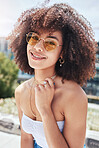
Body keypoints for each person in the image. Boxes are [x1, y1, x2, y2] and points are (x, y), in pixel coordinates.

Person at [7, 3, 96, 148]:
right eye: (34, 38)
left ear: (62, 53)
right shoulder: (21, 91)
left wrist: (45, 110)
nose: (37, 47)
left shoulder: (73, 95)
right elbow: (26, 140)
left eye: (50, 43)